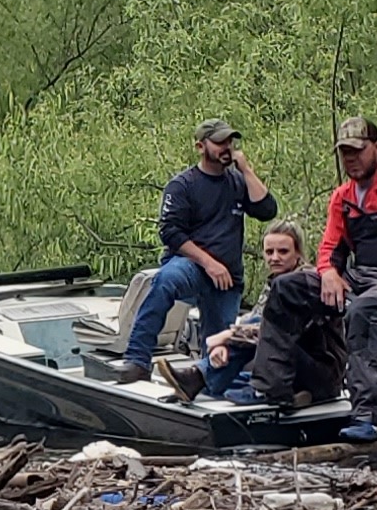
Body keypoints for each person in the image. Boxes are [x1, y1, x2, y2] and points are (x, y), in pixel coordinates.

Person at [251, 118, 377, 440]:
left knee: (363, 311)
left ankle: (371, 416)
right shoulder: (343, 196)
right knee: (286, 287)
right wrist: (327, 272)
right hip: (361, 277)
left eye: (357, 151)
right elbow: (330, 244)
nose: (351, 159)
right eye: (345, 153)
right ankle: (272, 388)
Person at [116, 118, 275, 381]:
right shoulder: (183, 185)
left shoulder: (237, 182)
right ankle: (137, 361)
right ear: (201, 146)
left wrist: (247, 171)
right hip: (191, 266)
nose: (227, 147)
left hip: (227, 277)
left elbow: (267, 210)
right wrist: (208, 263)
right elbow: (170, 232)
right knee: (165, 281)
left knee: (219, 350)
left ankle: (202, 385)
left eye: (230, 141)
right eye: (220, 142)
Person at [179, 222, 305, 401]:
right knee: (213, 386)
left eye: (283, 252)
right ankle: (200, 378)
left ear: (298, 253)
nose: (275, 258)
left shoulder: (302, 283)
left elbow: (275, 329)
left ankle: (199, 376)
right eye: (269, 252)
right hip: (281, 365)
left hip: (308, 366)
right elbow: (255, 318)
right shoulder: (276, 281)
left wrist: (227, 336)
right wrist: (225, 344)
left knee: (215, 380)